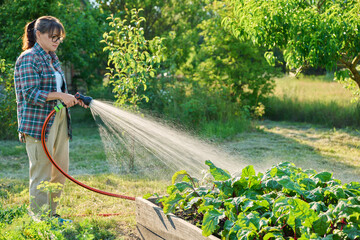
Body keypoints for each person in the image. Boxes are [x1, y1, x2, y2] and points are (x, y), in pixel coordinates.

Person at [14, 16, 87, 222]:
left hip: (59, 118)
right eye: (52, 36)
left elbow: (57, 89)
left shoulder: (52, 57)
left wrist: (71, 97)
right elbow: (29, 93)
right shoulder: (28, 58)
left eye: (59, 38)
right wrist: (60, 96)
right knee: (41, 173)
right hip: (39, 123)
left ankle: (52, 214)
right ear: (38, 35)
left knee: (60, 170)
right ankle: (40, 220)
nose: (56, 41)